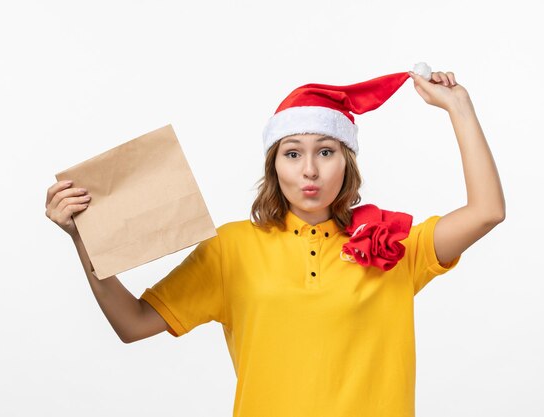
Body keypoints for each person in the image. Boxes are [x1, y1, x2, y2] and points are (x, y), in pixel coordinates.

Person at [45, 63, 505, 417]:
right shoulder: (233, 248)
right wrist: (83, 240)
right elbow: (133, 324)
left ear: (346, 162)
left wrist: (459, 107)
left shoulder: (396, 243)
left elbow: (487, 212)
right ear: (274, 166)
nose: (309, 170)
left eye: (326, 152)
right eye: (293, 153)